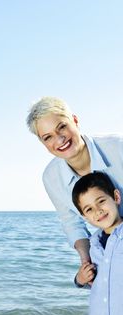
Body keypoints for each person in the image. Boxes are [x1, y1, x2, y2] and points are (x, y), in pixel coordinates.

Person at [26, 97, 123, 263]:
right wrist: (86, 260)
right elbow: (72, 224)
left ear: (75, 120)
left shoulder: (118, 147)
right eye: (48, 137)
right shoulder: (52, 177)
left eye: (62, 127)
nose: (59, 140)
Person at [72, 172, 123, 315]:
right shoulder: (94, 244)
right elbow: (98, 283)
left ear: (116, 197)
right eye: (89, 209)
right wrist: (80, 279)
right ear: (85, 218)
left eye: (101, 201)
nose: (98, 211)